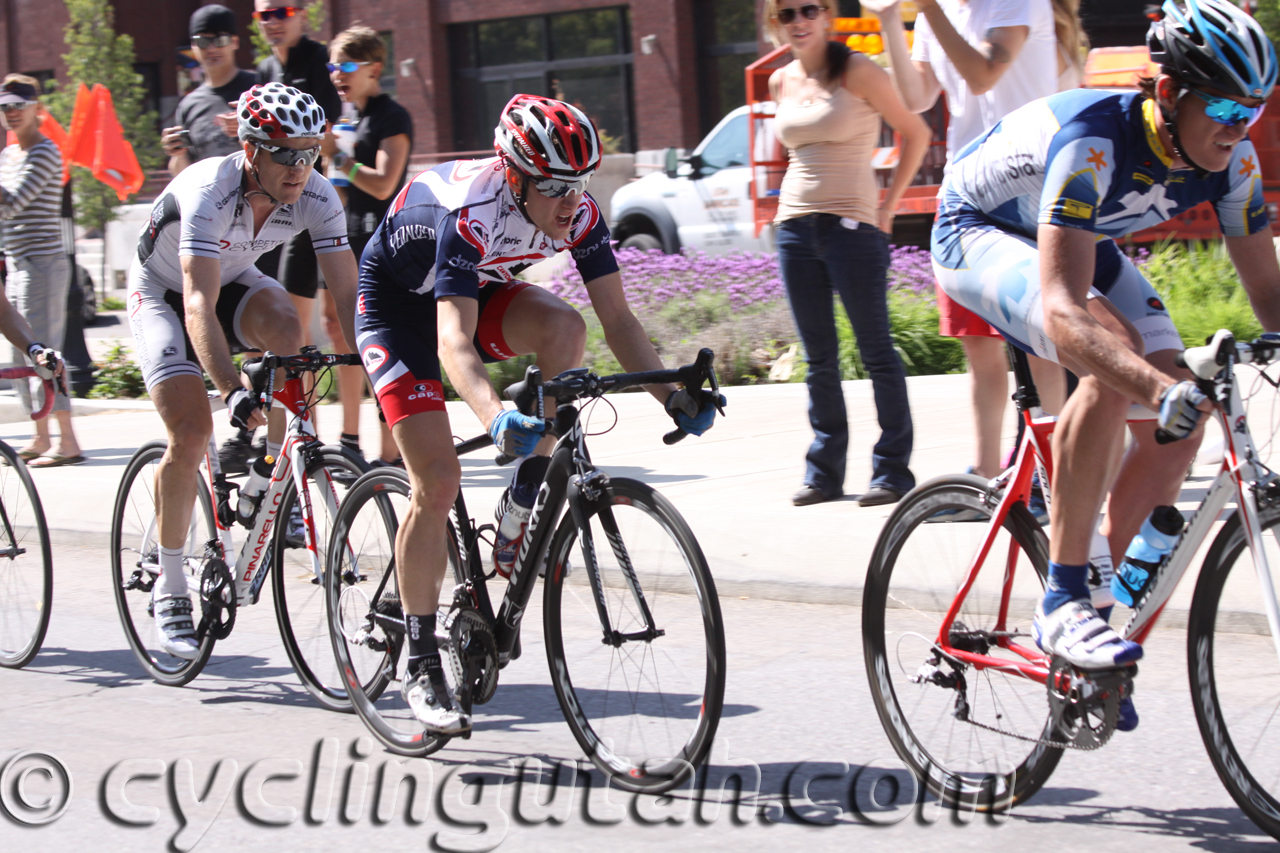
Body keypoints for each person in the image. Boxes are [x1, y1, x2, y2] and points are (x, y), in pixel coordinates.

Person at [355, 94, 725, 732]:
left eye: (578, 183)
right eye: (553, 185)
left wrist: (675, 396)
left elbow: (618, 319)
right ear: (514, 175)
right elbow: (453, 343)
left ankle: (524, 495)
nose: (569, 200)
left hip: (472, 292)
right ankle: (419, 660)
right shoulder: (471, 214)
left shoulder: (576, 211)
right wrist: (495, 414)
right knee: (438, 482)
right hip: (398, 311)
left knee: (565, 326)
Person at [930, 0, 1278, 672]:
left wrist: (1171, 385)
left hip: (1071, 232)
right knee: (1110, 357)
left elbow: (1270, 294)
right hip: (977, 229)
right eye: (1230, 112)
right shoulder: (1096, 139)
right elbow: (1064, 312)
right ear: (1171, 94)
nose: (1240, 131)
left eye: (1255, 112)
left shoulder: (1231, 162)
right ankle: (1061, 601)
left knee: (1183, 420)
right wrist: (1147, 380)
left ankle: (1098, 622)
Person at [126, 82, 359, 659]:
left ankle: (266, 477)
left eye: (312, 152)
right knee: (190, 431)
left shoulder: (319, 194)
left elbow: (350, 293)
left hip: (233, 281)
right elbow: (196, 304)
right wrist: (230, 388)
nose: (300, 167)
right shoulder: (210, 190)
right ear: (251, 149)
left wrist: (382, 365)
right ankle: (171, 584)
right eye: (286, 154)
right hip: (166, 292)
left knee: (290, 334)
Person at [872, 0, 1068, 481]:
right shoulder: (938, 12)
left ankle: (1057, 475)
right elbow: (917, 96)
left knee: (1041, 341)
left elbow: (982, 75)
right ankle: (984, 475)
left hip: (1027, 181)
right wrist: (888, 18)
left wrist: (928, 9)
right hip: (967, 187)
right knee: (977, 342)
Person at [765, 0, 930, 508]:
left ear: (828, 16)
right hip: (794, 228)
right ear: (778, 23)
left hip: (852, 228)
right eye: (787, 13)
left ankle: (893, 472)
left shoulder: (858, 69)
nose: (799, 21)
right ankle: (824, 473)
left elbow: (917, 132)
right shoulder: (781, 81)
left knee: (876, 352)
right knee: (818, 360)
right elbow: (793, 153)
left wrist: (888, 209)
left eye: (808, 9)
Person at [215, 1, 344, 475]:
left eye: (281, 10)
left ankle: (292, 446)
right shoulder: (264, 69)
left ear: (301, 14)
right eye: (263, 13)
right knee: (264, 342)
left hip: (305, 212)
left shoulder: (318, 60)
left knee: (297, 331)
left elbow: (329, 136)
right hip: (259, 211)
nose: (271, 20)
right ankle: (267, 446)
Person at [325, 25, 411, 469]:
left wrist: (337, 157)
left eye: (347, 65)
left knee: (378, 342)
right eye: (333, 65)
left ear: (374, 68)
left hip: (384, 246)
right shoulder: (350, 121)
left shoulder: (391, 117)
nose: (338, 73)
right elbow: (346, 191)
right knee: (341, 332)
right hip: (350, 239)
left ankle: (391, 454)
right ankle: (349, 439)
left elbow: (382, 185)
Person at [0, 75, 82, 468]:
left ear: (37, 109)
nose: (11, 112)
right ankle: (41, 434)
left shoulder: (46, 152)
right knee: (20, 353)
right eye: (4, 107)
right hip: (16, 262)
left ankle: (67, 441)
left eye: (18, 104)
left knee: (44, 351)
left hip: (43, 264)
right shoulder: (9, 155)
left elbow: (12, 204)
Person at [161, 5, 257, 176]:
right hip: (212, 200)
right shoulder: (189, 105)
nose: (212, 49)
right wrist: (177, 153)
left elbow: (287, 146)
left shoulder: (259, 89)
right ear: (193, 46)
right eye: (203, 42)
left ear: (234, 42)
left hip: (260, 198)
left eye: (220, 40)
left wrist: (249, 129)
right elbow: (183, 174)